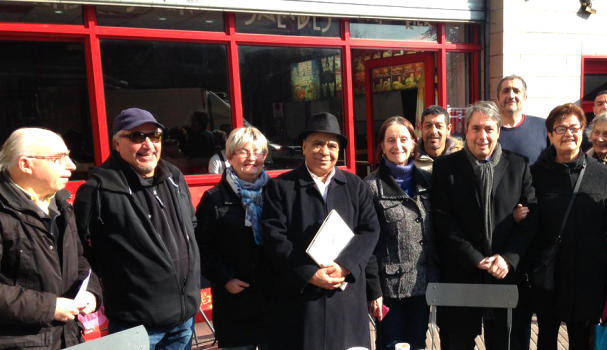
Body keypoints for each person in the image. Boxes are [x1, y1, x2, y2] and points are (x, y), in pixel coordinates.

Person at [74, 108, 201, 350]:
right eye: (136, 137)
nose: (148, 145)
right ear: (116, 143)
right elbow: (79, 251)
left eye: (154, 136)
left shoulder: (173, 176)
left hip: (183, 320)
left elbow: (190, 226)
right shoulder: (98, 190)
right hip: (135, 324)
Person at [261, 112, 379, 350]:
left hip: (345, 294)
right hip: (300, 299)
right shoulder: (281, 187)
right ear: (304, 147)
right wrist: (309, 273)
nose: (325, 151)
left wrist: (345, 265)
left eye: (332, 145)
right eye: (317, 144)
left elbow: (370, 231)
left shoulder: (355, 185)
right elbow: (275, 238)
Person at [432, 101, 537, 350]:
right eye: (476, 128)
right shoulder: (445, 167)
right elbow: (444, 220)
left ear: (498, 131)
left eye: (489, 129)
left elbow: (531, 218)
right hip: (462, 273)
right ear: (465, 130)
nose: (482, 136)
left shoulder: (519, 166)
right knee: (457, 343)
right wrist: (475, 258)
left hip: (504, 276)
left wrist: (508, 258)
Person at [528, 103, 607, 350]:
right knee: (547, 336)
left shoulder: (601, 174)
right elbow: (526, 223)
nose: (568, 133)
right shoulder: (534, 175)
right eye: (560, 128)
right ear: (549, 134)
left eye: (574, 127)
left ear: (583, 131)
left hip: (589, 275)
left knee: (582, 338)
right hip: (549, 273)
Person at [0, 128, 101, 349]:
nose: (72, 165)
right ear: (25, 164)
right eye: (57, 158)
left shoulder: (61, 204)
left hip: (68, 337)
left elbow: (80, 259)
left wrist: (92, 293)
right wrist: (49, 307)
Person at [364, 116, 439, 350]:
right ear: (382, 147)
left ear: (414, 143)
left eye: (404, 139)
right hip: (389, 290)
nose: (398, 145)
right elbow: (367, 244)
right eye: (391, 140)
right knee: (390, 345)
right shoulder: (370, 187)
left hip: (423, 283)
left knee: (417, 344)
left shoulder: (427, 181)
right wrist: (373, 290)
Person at [196, 127, 271, 349]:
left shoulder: (277, 193)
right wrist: (225, 278)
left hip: (272, 300)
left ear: (265, 156)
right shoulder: (214, 199)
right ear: (229, 156)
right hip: (234, 303)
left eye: (257, 152)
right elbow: (201, 247)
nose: (251, 158)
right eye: (243, 152)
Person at [496, 75, 548, 164]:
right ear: (498, 98)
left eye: (516, 91)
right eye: (506, 91)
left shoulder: (543, 127)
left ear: (525, 97)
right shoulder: (487, 131)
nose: (511, 96)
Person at [414, 105, 463, 172]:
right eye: (428, 126)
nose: (433, 131)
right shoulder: (411, 159)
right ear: (421, 128)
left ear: (448, 129)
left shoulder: (460, 159)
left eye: (439, 126)